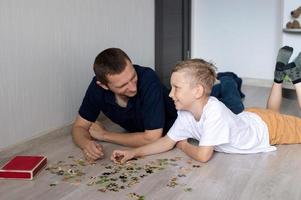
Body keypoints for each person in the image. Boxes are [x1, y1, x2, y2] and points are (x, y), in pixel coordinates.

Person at [111, 46, 301, 164]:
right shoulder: (185, 113)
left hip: (268, 129)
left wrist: (184, 145)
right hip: (253, 118)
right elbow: (166, 141)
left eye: (176, 88)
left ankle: (297, 79)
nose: (170, 94)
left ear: (197, 92)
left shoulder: (214, 111)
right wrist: (133, 153)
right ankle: (279, 77)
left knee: (280, 118)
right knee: (273, 113)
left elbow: (203, 156)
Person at [72, 48, 178, 162]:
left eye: (133, 77)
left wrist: (104, 135)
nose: (133, 88)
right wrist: (86, 144)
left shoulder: (148, 78)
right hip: (140, 133)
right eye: (122, 85)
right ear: (103, 86)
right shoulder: (97, 89)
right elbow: (79, 127)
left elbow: (152, 138)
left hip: (173, 131)